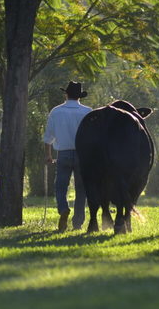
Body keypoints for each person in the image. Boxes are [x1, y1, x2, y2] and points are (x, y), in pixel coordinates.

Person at [43, 81, 92, 232]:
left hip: (63, 154)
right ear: (80, 96)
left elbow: (48, 137)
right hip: (82, 155)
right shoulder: (88, 111)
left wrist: (48, 156)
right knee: (81, 189)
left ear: (66, 94)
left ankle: (63, 209)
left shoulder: (56, 111)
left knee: (60, 187)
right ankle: (77, 223)